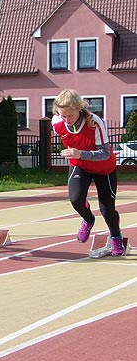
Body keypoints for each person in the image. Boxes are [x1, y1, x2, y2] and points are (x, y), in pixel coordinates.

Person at [52, 89, 124, 256]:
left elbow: (105, 153)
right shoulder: (57, 122)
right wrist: (76, 156)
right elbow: (67, 135)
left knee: (107, 210)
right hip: (80, 165)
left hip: (103, 168)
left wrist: (81, 153)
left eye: (70, 115)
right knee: (76, 199)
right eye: (63, 115)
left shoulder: (95, 122)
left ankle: (116, 237)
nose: (66, 120)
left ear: (79, 109)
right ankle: (88, 219)